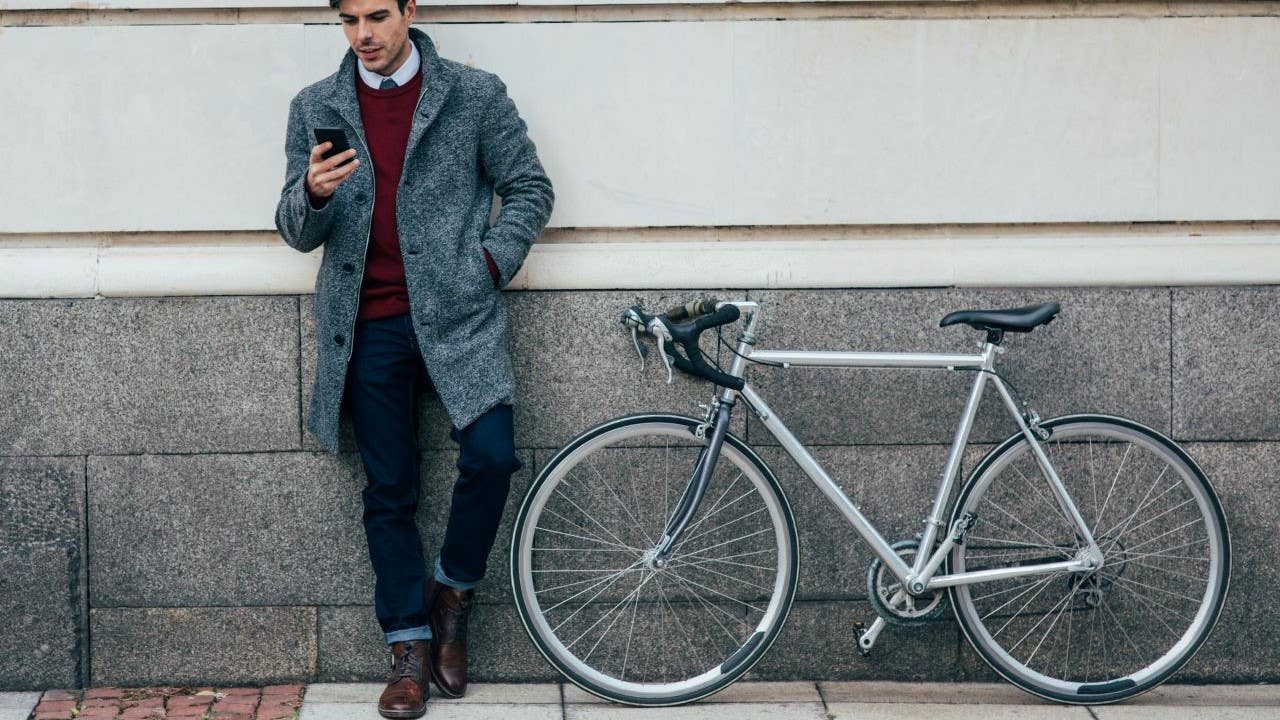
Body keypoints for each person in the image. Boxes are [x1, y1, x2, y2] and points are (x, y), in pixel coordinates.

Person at [273, 0, 554, 715]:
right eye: (347, 20)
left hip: (460, 316)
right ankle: (408, 644)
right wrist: (312, 192)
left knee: (492, 455)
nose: (363, 35)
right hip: (366, 324)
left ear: (410, 10)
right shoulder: (315, 106)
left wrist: (488, 265)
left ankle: (453, 593)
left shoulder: (473, 94)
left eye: (375, 16)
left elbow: (529, 187)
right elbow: (293, 230)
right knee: (389, 492)